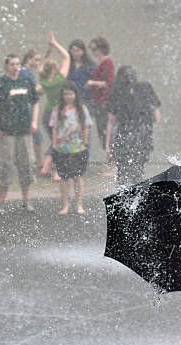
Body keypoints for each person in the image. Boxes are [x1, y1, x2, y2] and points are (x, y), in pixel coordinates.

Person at [0, 54, 39, 213]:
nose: (15, 67)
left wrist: (34, 122)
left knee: (26, 164)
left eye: (17, 64)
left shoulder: (26, 80)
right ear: (6, 66)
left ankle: (26, 200)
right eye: (12, 64)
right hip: (6, 131)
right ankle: (1, 202)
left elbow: (35, 102)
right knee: (5, 165)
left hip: (24, 130)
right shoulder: (0, 83)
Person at [106, 66, 161, 187]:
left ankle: (123, 199)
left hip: (124, 138)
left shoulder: (116, 92)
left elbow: (112, 120)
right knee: (138, 172)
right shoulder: (146, 87)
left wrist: (108, 146)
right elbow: (157, 116)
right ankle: (138, 199)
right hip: (143, 138)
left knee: (123, 175)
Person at [49, 81, 92, 215]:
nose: (68, 96)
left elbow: (86, 126)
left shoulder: (81, 109)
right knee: (63, 178)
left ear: (75, 94)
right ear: (62, 95)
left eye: (71, 94)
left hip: (78, 148)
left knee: (78, 177)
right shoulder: (58, 109)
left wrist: (85, 142)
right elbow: (54, 128)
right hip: (62, 149)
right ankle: (65, 205)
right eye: (66, 94)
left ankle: (79, 204)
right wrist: (54, 144)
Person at [38, 32, 71, 181]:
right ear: (54, 69)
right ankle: (57, 171)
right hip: (58, 114)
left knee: (54, 141)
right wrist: (55, 43)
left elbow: (43, 64)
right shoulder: (59, 79)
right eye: (56, 66)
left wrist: (49, 49)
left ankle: (46, 166)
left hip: (47, 113)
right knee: (59, 142)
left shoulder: (43, 80)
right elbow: (67, 57)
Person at [85, 36, 115, 176]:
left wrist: (92, 83)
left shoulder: (107, 63)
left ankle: (114, 165)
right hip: (98, 104)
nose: (92, 51)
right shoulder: (101, 62)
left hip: (104, 104)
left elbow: (108, 83)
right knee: (103, 134)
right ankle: (113, 164)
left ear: (101, 49)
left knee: (106, 134)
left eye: (94, 49)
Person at [20, 49, 44, 169]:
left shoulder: (27, 73)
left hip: (27, 107)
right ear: (29, 59)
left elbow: (35, 93)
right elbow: (35, 91)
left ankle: (37, 162)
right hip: (26, 108)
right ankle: (38, 162)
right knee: (36, 136)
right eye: (36, 60)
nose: (38, 63)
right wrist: (46, 80)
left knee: (35, 137)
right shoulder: (24, 73)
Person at [67, 39, 96, 108]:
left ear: (83, 52)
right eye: (73, 51)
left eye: (78, 51)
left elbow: (96, 81)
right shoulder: (67, 65)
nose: (75, 53)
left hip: (85, 100)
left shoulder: (90, 66)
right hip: (69, 100)